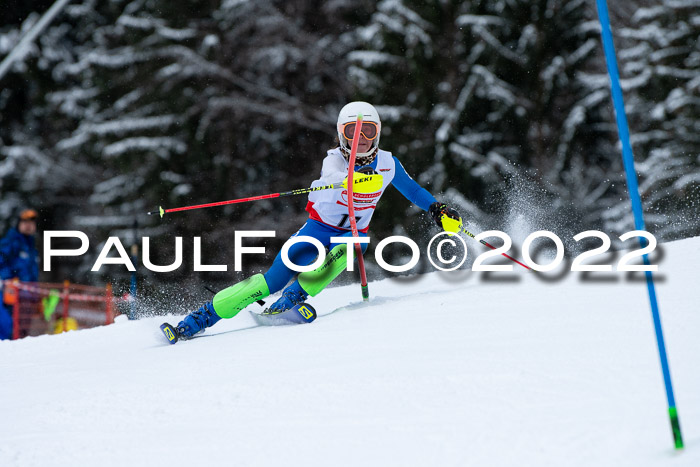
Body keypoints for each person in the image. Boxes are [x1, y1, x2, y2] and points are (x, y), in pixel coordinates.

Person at [172, 102, 461, 339]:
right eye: (353, 132)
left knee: (353, 244)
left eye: (368, 132)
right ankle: (201, 318)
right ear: (342, 135)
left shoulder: (388, 163)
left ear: (377, 134)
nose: (360, 139)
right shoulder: (333, 161)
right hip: (318, 230)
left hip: (351, 235)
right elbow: (334, 178)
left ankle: (292, 300)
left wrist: (437, 209)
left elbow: (411, 189)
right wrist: (353, 179)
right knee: (271, 281)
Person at [0, 208, 40, 340]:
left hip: (26, 297)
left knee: (22, 332)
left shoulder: (31, 247)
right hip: (10, 296)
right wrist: (9, 280)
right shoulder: (11, 242)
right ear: (18, 224)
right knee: (9, 329)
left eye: (31, 223)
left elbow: (32, 274)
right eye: (25, 222)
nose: (28, 226)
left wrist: (35, 294)